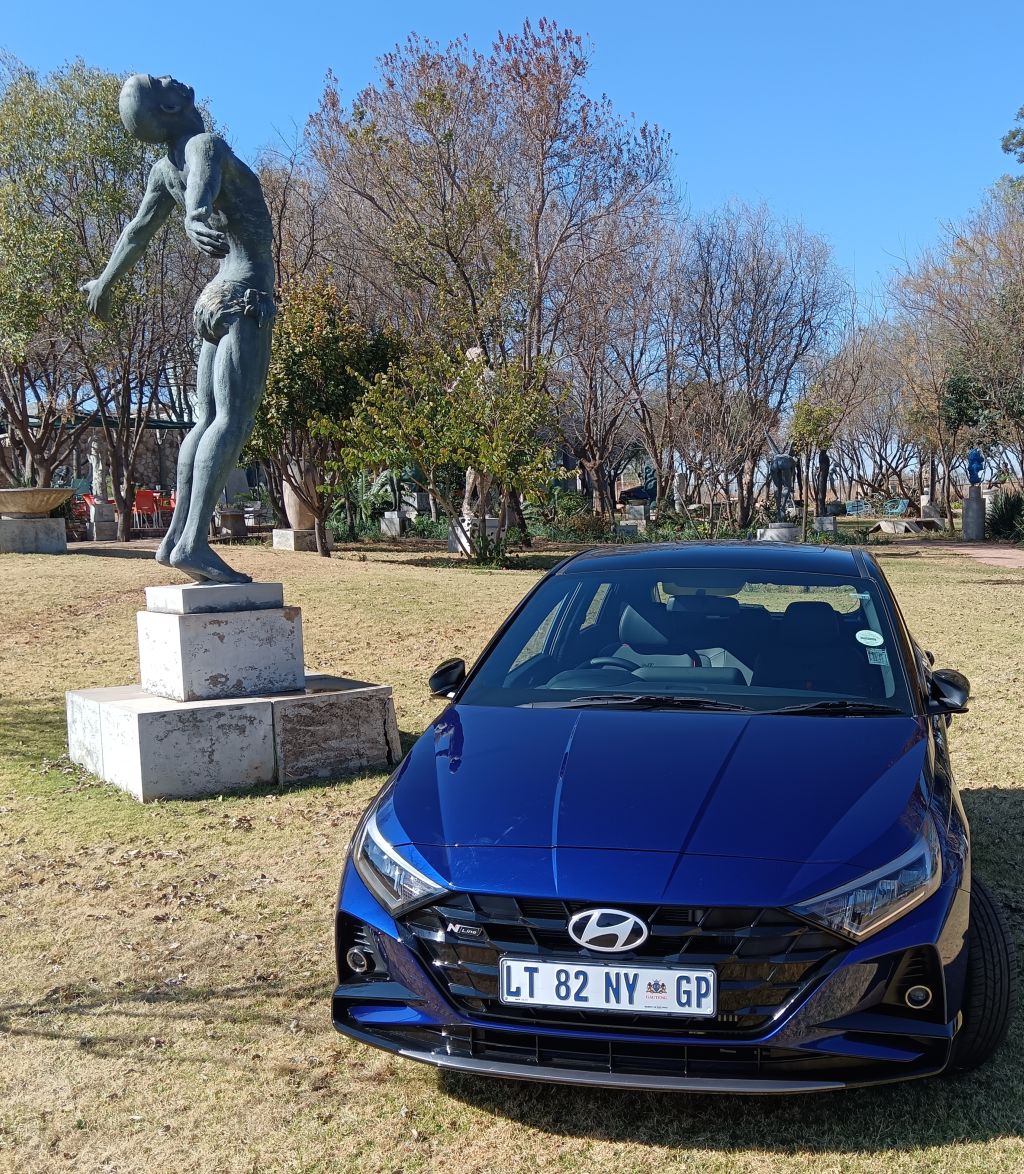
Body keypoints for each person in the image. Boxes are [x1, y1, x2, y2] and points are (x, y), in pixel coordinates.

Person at [83, 74, 275, 584]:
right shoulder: (204, 145)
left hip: (213, 298)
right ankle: (193, 542)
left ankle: (174, 540)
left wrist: (104, 282)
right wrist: (195, 214)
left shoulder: (162, 169)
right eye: (161, 82)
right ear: (169, 105)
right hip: (244, 295)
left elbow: (136, 232)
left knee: (206, 421)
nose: (174, 78)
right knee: (231, 422)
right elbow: (202, 181)